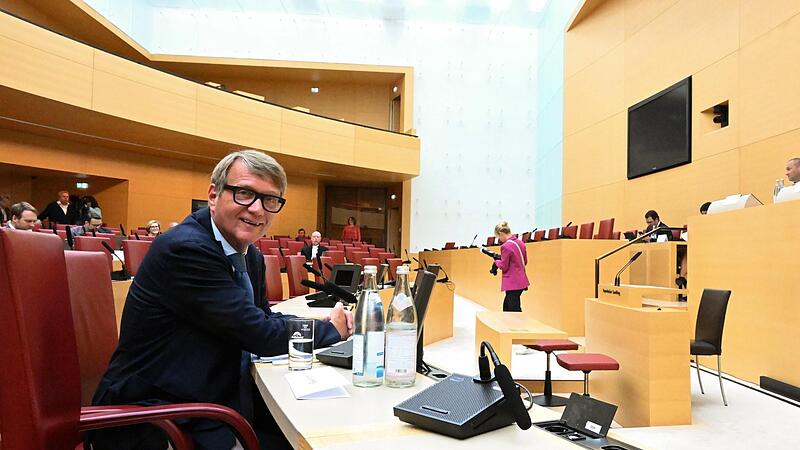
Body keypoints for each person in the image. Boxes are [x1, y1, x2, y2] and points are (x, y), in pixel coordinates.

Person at [90, 150, 353, 450]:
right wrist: (332, 331)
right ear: (213, 195)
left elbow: (262, 318)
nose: (257, 209)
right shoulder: (186, 249)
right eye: (244, 193)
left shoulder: (248, 254)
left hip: (206, 401)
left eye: (270, 200)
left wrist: (319, 323)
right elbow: (259, 334)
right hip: (157, 418)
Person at [492, 221, 529, 312]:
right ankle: (511, 325)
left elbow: (503, 266)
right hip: (521, 280)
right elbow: (525, 261)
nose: (499, 240)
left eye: (498, 237)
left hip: (512, 282)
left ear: (501, 234)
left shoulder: (505, 246)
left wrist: (496, 262)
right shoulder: (521, 243)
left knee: (513, 310)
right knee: (508, 307)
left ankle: (519, 326)